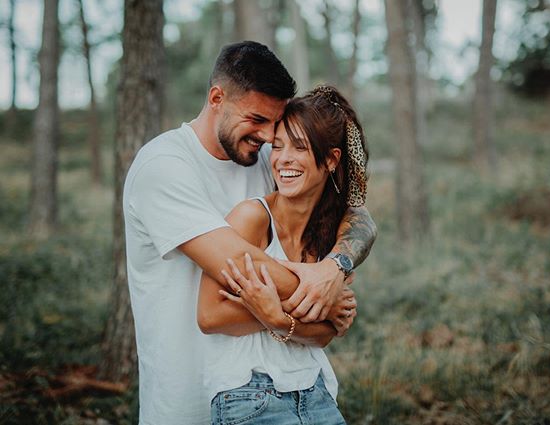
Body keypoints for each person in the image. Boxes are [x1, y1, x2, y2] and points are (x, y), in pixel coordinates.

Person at [123, 41, 376, 424]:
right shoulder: (163, 166)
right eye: (257, 119)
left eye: (273, 124)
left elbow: (359, 217)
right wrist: (324, 297)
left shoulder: (263, 159)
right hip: (183, 401)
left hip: (274, 386)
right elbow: (235, 263)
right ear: (217, 98)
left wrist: (334, 268)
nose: (266, 135)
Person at [197, 86, 368, 424]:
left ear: (331, 159)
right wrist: (309, 309)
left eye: (299, 147)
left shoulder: (334, 239)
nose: (282, 158)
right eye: (277, 146)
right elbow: (210, 315)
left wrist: (276, 316)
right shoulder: (252, 218)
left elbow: (327, 333)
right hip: (249, 393)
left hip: (316, 390)